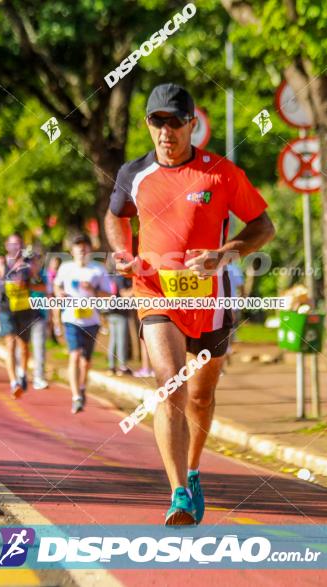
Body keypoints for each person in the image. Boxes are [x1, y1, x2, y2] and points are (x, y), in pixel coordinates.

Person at [104, 83, 275, 525]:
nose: (167, 131)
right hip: (155, 293)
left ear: (192, 125)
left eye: (176, 122)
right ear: (148, 125)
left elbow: (263, 226)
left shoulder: (221, 173)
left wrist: (224, 253)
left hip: (211, 298)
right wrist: (123, 253)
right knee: (170, 384)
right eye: (158, 122)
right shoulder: (133, 174)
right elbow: (116, 215)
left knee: (201, 394)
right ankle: (178, 491)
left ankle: (194, 469)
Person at [54, 234, 111, 414]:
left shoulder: (98, 270)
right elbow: (56, 286)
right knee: (75, 355)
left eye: (85, 247)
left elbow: (109, 295)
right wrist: (59, 294)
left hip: (91, 320)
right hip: (71, 319)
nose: (81, 250)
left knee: (86, 361)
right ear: (72, 251)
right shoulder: (65, 268)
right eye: (78, 247)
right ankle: (76, 396)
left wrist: (92, 289)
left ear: (89, 250)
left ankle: (83, 386)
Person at [0, 234, 38, 396]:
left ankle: (22, 373)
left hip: (24, 308)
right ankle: (14, 382)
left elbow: (36, 279)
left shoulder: (28, 263)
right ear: (7, 246)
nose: (15, 247)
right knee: (10, 344)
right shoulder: (0, 262)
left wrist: (30, 265)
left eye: (18, 244)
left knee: (23, 346)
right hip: (6, 308)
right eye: (12, 244)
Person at [27, 243, 50, 390]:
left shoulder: (43, 275)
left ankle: (39, 377)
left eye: (36, 259)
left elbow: (46, 289)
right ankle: (20, 372)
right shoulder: (21, 274)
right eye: (30, 260)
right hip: (23, 313)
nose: (33, 262)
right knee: (22, 347)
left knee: (39, 346)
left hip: (40, 314)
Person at [106, 273, 134, 376]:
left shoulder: (112, 277)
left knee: (113, 340)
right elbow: (124, 295)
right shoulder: (121, 278)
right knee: (121, 340)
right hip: (120, 312)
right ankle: (122, 367)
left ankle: (111, 366)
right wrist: (136, 286)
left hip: (112, 312)